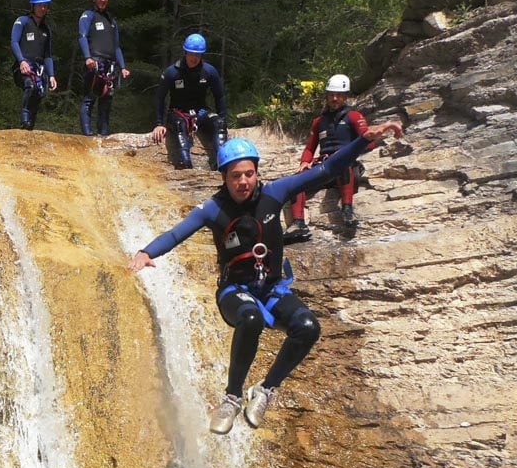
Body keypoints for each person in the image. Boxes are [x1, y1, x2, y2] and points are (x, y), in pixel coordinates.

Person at [128, 121, 403, 434]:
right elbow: (177, 233)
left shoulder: (275, 193)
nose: (243, 181)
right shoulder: (212, 209)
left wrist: (362, 142)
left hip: (272, 288)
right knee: (250, 318)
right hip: (234, 291)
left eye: (249, 173)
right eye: (235, 176)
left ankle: (265, 389)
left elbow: (326, 171)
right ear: (224, 177)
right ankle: (231, 398)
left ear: (256, 172)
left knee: (308, 328)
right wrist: (146, 252)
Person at [286, 74, 373, 240]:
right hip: (324, 166)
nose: (334, 98)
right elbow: (310, 148)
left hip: (345, 167)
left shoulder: (353, 116)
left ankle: (347, 210)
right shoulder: (319, 121)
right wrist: (305, 162)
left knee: (343, 163)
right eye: (331, 94)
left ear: (345, 96)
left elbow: (368, 142)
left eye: (338, 95)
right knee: (296, 180)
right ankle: (298, 224)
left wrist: (350, 151)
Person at [151, 33, 228, 170]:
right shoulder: (172, 72)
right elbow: (159, 98)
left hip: (201, 111)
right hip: (178, 113)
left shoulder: (209, 71)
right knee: (179, 125)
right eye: (191, 54)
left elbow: (219, 96)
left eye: (198, 54)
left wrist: (222, 117)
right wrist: (158, 123)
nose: (194, 58)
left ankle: (223, 163)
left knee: (219, 123)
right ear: (186, 52)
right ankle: (184, 164)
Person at [77, 0, 131, 136]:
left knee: (106, 101)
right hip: (94, 62)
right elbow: (82, 36)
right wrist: (88, 57)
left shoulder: (111, 21)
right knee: (89, 99)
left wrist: (123, 67)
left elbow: (116, 47)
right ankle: (87, 135)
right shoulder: (88, 15)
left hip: (110, 65)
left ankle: (104, 134)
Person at [10, 0, 58, 130]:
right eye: (39, 5)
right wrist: (21, 60)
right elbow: (13, 42)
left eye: (45, 5)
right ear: (33, 6)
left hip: (39, 69)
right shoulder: (22, 21)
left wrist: (51, 75)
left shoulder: (46, 29)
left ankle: (30, 125)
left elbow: (47, 55)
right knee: (30, 85)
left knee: (38, 92)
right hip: (23, 66)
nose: (42, 8)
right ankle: (24, 119)